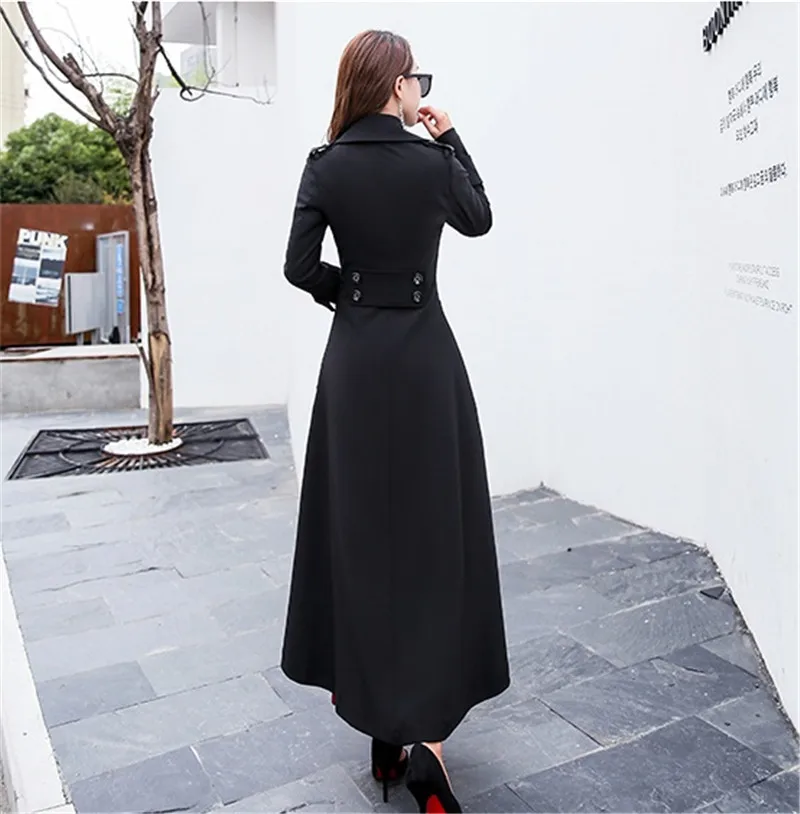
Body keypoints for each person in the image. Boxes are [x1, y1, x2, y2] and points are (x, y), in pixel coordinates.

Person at [280, 29, 510, 814]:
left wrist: (350, 293)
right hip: (426, 367)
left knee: (363, 537)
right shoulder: (431, 163)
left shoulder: (324, 165)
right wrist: (450, 138)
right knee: (433, 541)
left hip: (353, 366)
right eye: (417, 80)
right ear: (396, 86)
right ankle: (426, 749)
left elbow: (298, 267)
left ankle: (383, 729)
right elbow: (479, 219)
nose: (421, 91)